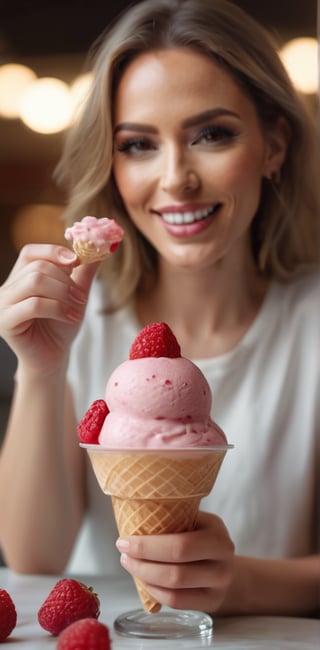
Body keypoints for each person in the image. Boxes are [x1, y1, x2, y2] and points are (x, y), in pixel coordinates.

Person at [0, 0, 319, 617]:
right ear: (112, 165)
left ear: (274, 144)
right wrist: (41, 368)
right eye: (139, 144)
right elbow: (35, 560)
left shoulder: (310, 325)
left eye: (211, 134)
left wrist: (243, 585)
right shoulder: (81, 321)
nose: (175, 178)